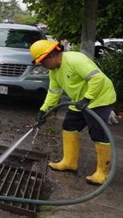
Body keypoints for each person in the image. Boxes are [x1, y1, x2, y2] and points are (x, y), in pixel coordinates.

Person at [31, 39, 116, 185]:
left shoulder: (75, 60)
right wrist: (43, 110)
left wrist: (87, 98)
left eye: (43, 62)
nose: (43, 66)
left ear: (51, 55)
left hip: (99, 99)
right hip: (80, 100)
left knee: (98, 133)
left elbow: (98, 78)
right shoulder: (55, 71)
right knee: (69, 125)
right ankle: (69, 162)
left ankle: (103, 173)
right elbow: (54, 92)